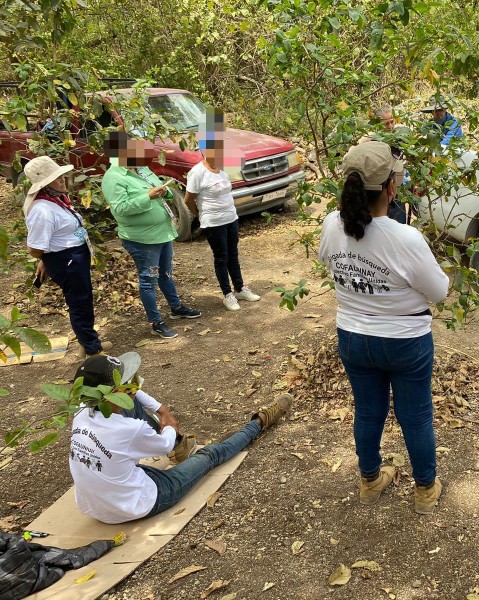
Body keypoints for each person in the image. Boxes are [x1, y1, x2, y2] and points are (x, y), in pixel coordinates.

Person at [318, 141, 449, 514]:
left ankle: (370, 480)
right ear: (391, 188)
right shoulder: (405, 238)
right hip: (405, 341)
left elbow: (330, 262)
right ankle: (425, 488)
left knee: (368, 410)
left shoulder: (330, 224)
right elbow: (439, 292)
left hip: (354, 336)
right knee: (416, 415)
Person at [69, 352, 292, 524]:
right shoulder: (129, 429)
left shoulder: (81, 410)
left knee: (134, 410)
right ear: (112, 392)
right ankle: (259, 422)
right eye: (125, 386)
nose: (132, 389)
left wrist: (161, 409)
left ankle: (182, 449)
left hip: (94, 506)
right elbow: (164, 444)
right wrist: (169, 425)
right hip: (139, 505)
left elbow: (134, 394)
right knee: (210, 455)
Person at [101, 132, 201, 339]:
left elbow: (163, 190)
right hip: (142, 239)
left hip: (162, 233)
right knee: (149, 279)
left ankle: (176, 308)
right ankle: (156, 321)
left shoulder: (141, 169)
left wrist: (167, 192)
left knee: (166, 274)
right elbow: (120, 209)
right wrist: (148, 196)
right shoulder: (114, 177)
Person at [23, 156, 111, 356]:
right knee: (79, 302)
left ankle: (87, 341)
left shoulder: (56, 199)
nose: (63, 179)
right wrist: (46, 259)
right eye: (57, 178)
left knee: (84, 299)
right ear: (44, 185)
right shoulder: (42, 210)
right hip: (66, 259)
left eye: (61, 175)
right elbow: (35, 247)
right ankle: (92, 350)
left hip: (74, 255)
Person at [184, 121, 261, 312]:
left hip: (230, 218)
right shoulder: (197, 173)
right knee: (221, 258)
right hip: (213, 222)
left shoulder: (222, 169)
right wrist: (201, 215)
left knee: (233, 255)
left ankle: (240, 288)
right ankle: (227, 294)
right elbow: (188, 200)